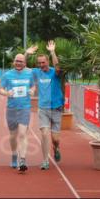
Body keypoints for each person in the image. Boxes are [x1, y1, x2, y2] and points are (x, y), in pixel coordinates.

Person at [0, 53, 36, 173]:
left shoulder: (29, 74)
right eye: (17, 61)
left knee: (22, 134)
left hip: (25, 108)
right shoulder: (7, 75)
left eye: (21, 61)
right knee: (13, 135)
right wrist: (6, 93)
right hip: (12, 109)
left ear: (25, 63)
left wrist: (32, 91)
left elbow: (33, 86)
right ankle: (14, 154)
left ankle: (22, 160)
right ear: (14, 62)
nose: (18, 63)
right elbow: (0, 89)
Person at [34, 41, 66, 169]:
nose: (41, 65)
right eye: (39, 63)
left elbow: (58, 68)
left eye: (43, 62)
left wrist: (52, 52)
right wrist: (26, 53)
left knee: (55, 139)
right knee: (44, 134)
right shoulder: (37, 72)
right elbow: (22, 67)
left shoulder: (54, 72)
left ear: (48, 62)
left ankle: (56, 148)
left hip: (56, 108)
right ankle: (45, 160)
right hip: (43, 109)